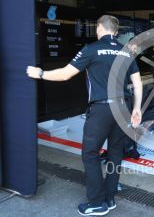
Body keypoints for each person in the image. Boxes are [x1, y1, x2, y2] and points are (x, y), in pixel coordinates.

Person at [27, 15, 143, 216]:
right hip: (124, 107)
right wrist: (137, 108)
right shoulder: (126, 53)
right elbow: (138, 83)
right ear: (116, 32)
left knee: (90, 153)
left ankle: (97, 203)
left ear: (99, 28)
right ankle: (109, 197)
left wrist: (40, 74)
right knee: (115, 153)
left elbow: (65, 74)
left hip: (102, 110)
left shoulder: (91, 49)